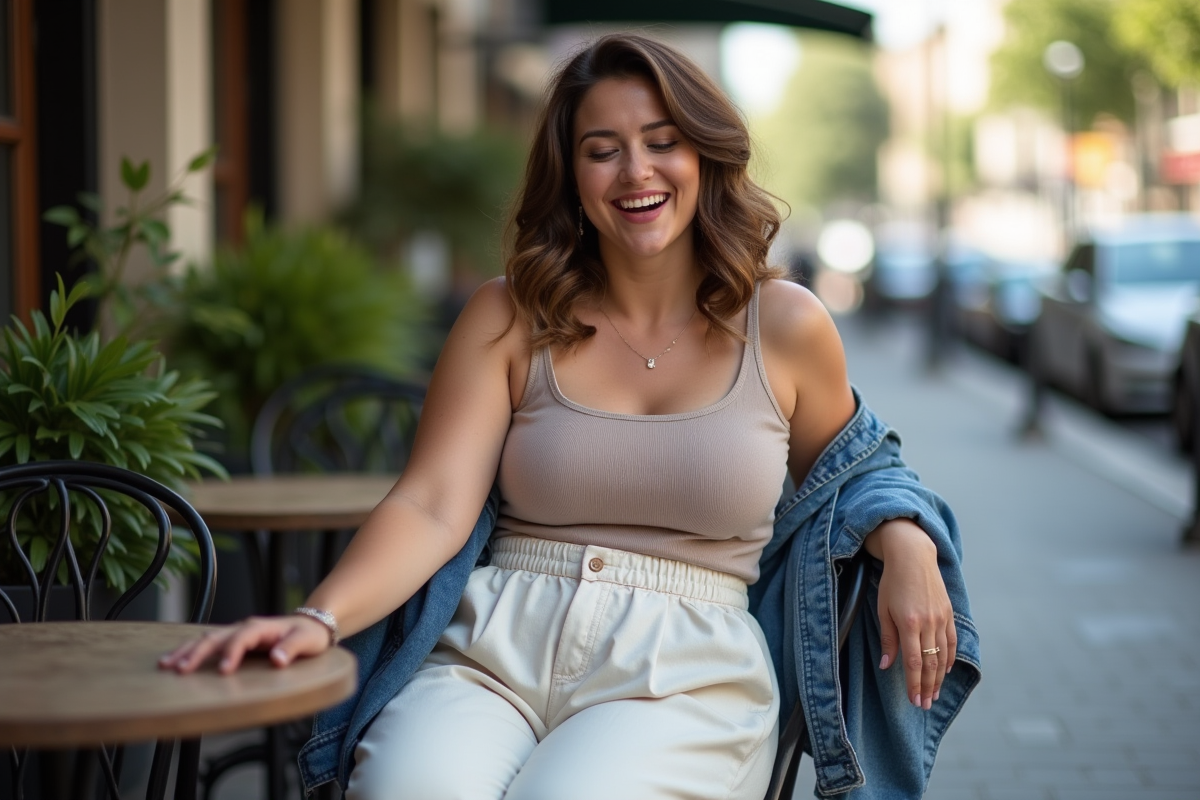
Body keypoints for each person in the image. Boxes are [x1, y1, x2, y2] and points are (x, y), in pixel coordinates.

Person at [162, 34, 975, 799]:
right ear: (571, 175)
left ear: (704, 154)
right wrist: (317, 617)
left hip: (686, 672)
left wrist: (906, 540)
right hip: (491, 651)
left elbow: (859, 467)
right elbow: (430, 503)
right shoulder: (508, 315)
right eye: (602, 150)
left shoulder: (787, 325)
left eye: (662, 140)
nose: (635, 171)